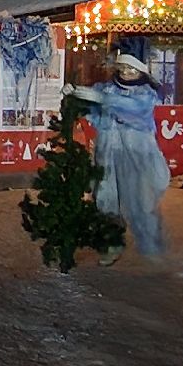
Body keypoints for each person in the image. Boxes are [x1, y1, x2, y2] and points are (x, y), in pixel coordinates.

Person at [64, 53, 170, 258]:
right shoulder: (105, 88)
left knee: (141, 198)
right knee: (105, 196)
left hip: (137, 154)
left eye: (132, 70)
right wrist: (74, 93)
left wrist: (103, 100)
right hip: (109, 152)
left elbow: (133, 108)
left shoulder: (145, 94)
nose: (127, 74)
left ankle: (151, 244)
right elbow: (91, 106)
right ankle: (111, 243)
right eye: (123, 69)